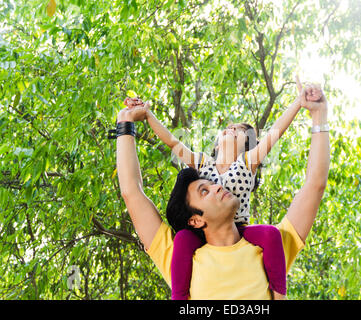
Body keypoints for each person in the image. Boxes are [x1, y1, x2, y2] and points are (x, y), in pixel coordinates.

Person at [116, 80, 330, 299]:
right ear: (195, 219)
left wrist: (318, 114)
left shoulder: (269, 250)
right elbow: (131, 192)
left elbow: (315, 184)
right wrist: (127, 122)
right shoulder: (183, 260)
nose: (217, 186)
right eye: (204, 191)